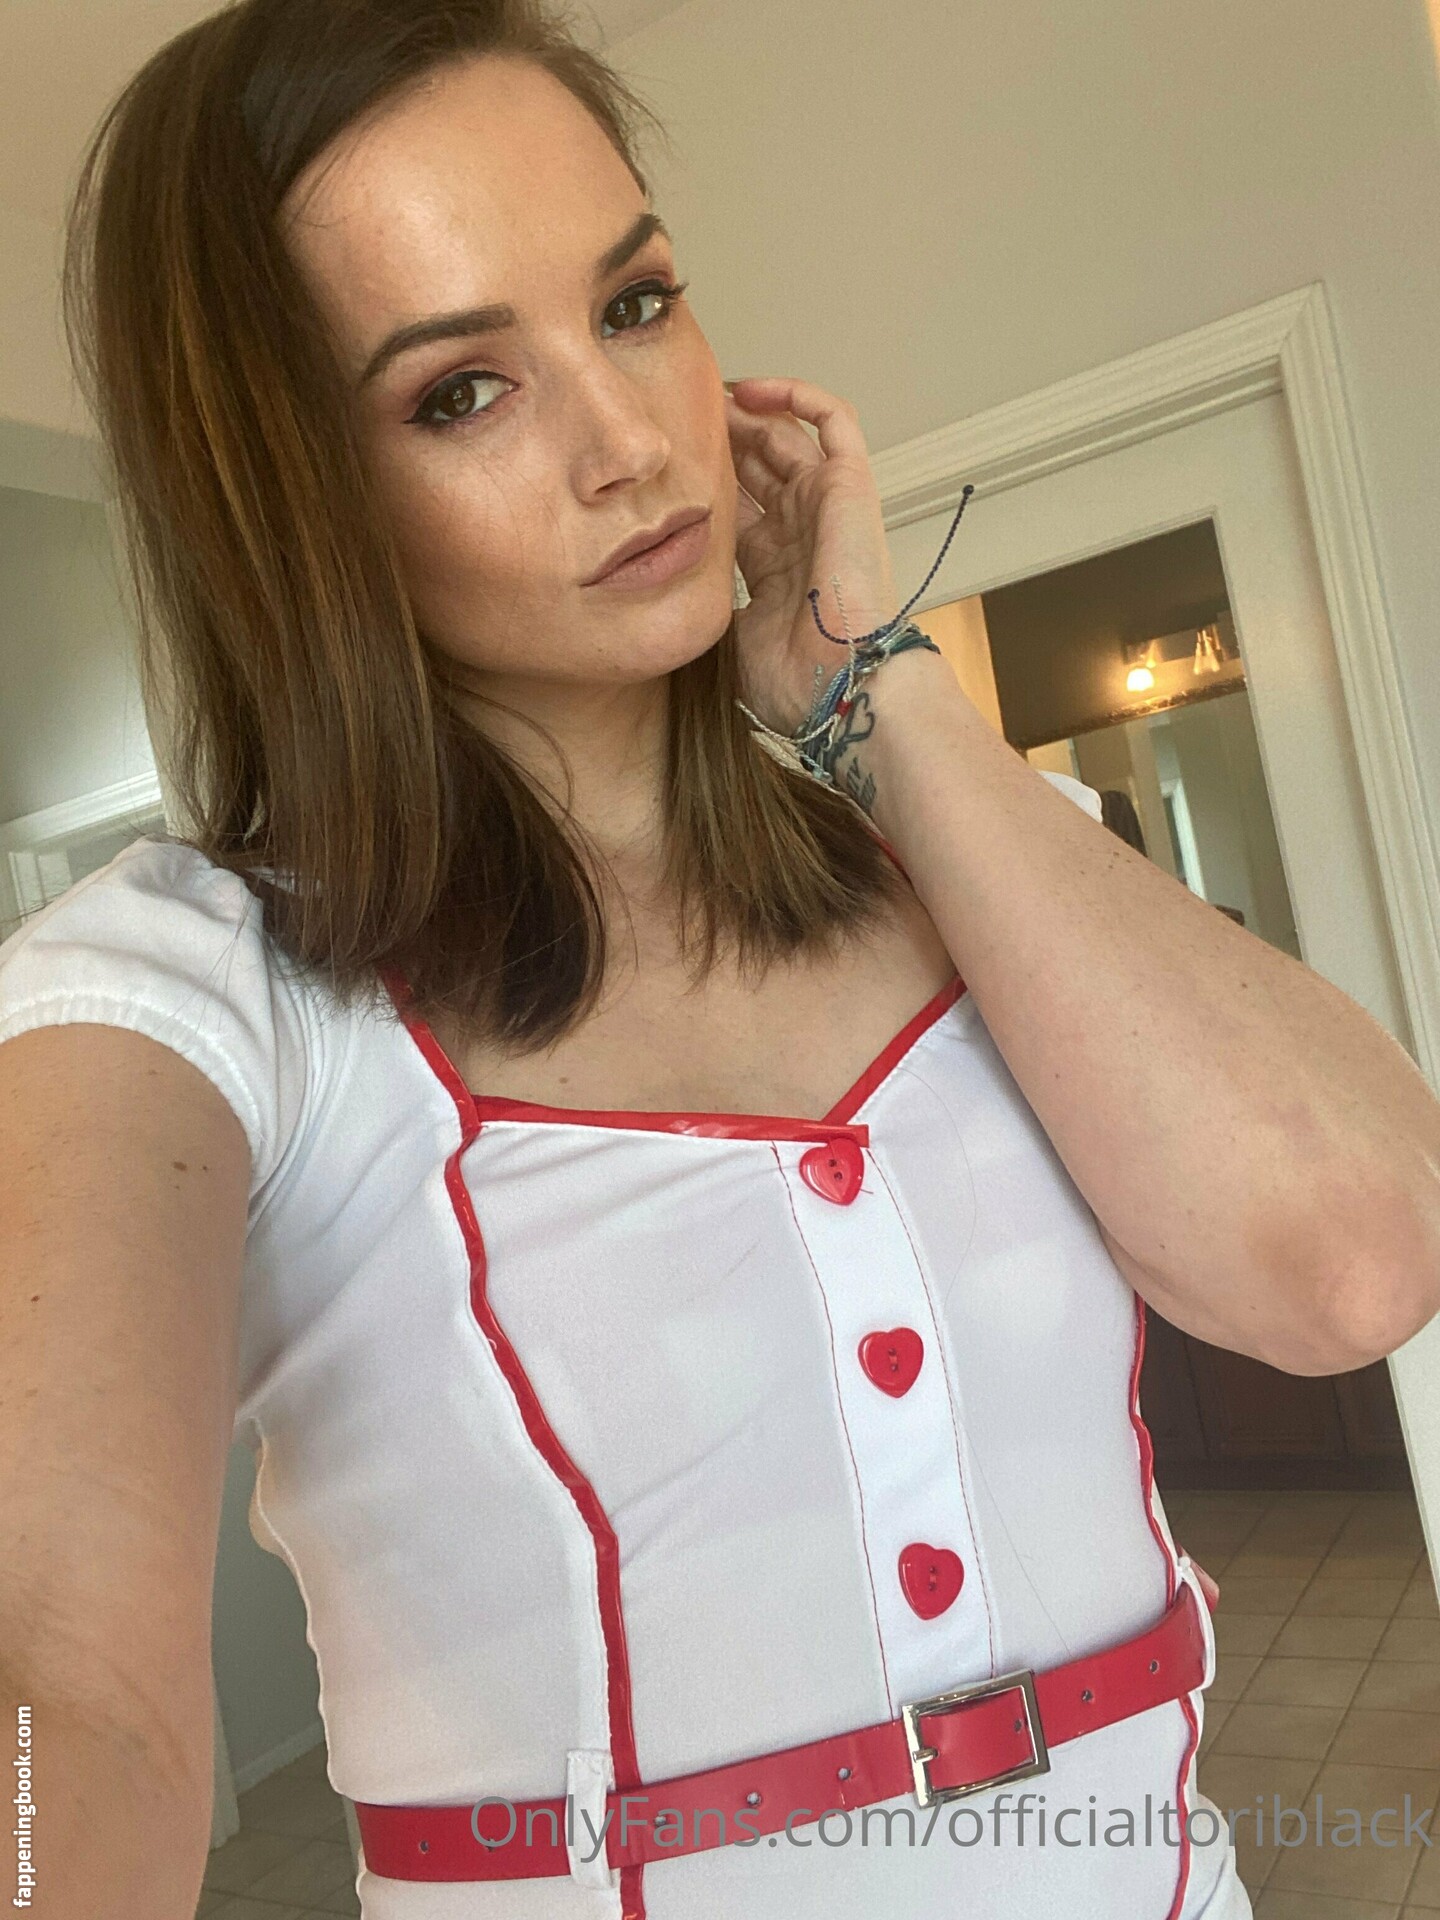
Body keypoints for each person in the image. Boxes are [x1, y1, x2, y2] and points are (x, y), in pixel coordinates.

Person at [2, 3, 1439, 1916]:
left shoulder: (969, 866)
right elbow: (63, 1692)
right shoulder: (181, 995)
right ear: (289, 495)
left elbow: (1357, 1263)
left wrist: (867, 681)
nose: (628, 444)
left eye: (635, 304)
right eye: (461, 393)